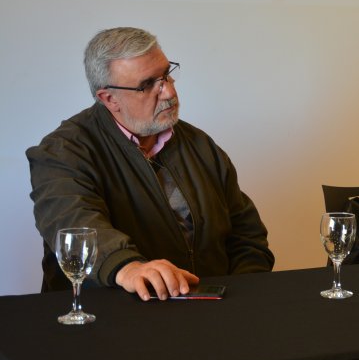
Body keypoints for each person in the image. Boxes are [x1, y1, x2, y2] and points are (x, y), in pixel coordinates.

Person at [27, 27, 275, 300]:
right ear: (109, 99)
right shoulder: (63, 151)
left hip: (208, 316)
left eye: (167, 75)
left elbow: (246, 235)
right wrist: (127, 267)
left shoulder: (200, 144)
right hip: (110, 320)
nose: (168, 92)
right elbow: (72, 221)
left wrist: (243, 294)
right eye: (147, 85)